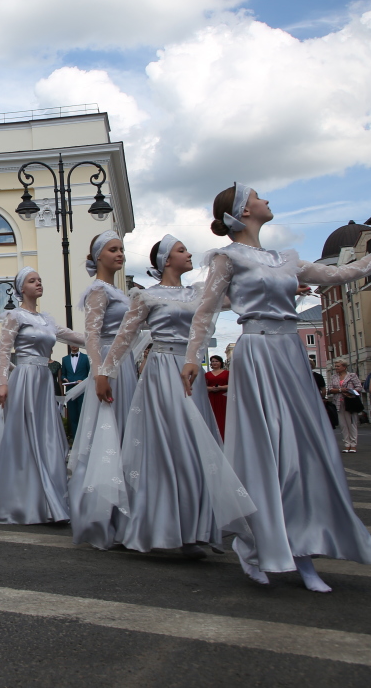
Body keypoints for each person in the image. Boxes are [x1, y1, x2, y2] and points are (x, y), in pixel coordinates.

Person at [182, 182, 371, 591]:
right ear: (244, 211)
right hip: (256, 353)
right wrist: (192, 359)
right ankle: (255, 544)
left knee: (305, 450)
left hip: (290, 353)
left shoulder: (284, 258)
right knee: (266, 450)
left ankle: (303, 550)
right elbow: (205, 311)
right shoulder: (228, 257)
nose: (266, 199)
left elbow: (341, 272)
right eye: (258, 196)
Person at [95, 235, 248, 557]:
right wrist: (105, 373)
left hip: (190, 369)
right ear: (166, 260)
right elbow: (125, 336)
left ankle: (198, 527)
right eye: (181, 250)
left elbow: (235, 298)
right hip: (162, 371)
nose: (189, 253)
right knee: (169, 447)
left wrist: (288, 288)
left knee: (197, 446)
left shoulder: (198, 293)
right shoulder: (146, 297)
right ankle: (164, 526)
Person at [0, 267, 85, 525]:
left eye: (40, 280)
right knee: (25, 437)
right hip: (24, 377)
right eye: (32, 281)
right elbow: (3, 351)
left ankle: (48, 499)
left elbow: (74, 336)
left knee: (47, 438)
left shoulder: (47, 320)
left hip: (44, 380)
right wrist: (3, 383)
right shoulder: (15, 316)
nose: (38, 284)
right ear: (22, 288)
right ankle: (24, 501)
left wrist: (105, 340)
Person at [69, 231, 139, 550]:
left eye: (122, 249)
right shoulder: (98, 290)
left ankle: (127, 516)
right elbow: (92, 336)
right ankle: (103, 516)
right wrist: (100, 373)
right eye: (113, 249)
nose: (120, 254)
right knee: (107, 436)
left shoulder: (118, 291)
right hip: (110, 367)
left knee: (125, 437)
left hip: (125, 366)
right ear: (98, 256)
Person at [325, 357, 364, 453]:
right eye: (335, 366)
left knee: (351, 423)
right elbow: (329, 390)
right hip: (338, 402)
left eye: (338, 366)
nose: (336, 368)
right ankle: (347, 444)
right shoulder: (334, 377)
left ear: (344, 367)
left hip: (350, 402)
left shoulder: (352, 376)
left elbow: (359, 387)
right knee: (343, 425)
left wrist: (351, 392)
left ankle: (353, 444)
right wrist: (340, 390)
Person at [58, 344, 89, 441]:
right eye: (72, 343)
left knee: (83, 415)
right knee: (73, 416)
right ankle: (76, 440)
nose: (74, 345)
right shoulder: (65, 359)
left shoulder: (86, 357)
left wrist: (83, 380)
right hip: (70, 389)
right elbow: (63, 374)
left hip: (82, 390)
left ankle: (84, 440)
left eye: (76, 343)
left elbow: (90, 373)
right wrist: (64, 378)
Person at [205, 355, 230, 440]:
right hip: (211, 398)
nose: (214, 363)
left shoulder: (227, 373)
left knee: (224, 418)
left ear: (221, 363)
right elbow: (203, 387)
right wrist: (211, 389)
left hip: (224, 398)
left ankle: (225, 437)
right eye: (212, 361)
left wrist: (221, 388)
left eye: (216, 361)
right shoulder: (207, 374)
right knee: (212, 417)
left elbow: (232, 385)